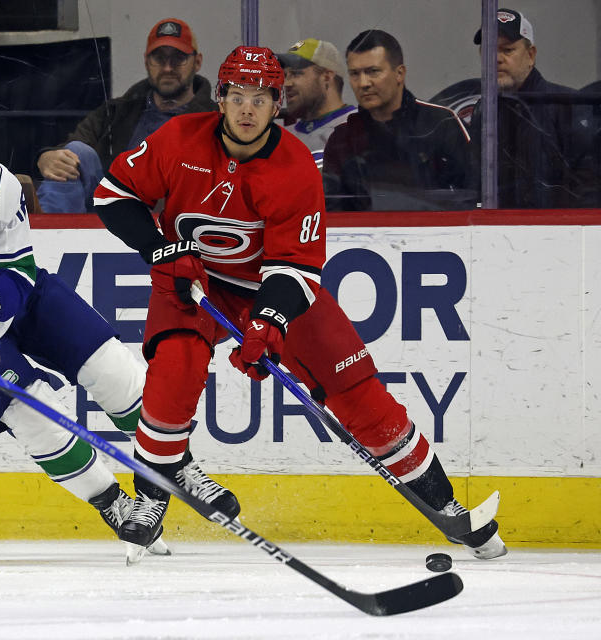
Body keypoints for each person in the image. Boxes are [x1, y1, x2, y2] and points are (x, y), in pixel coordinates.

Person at [93, 45, 506, 563]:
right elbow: (113, 194)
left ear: (276, 104)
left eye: (261, 98)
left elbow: (295, 266)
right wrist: (159, 250)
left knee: (360, 394)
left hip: (271, 287)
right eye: (238, 96)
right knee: (173, 373)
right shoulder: (178, 140)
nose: (247, 109)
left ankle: (447, 509)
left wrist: (269, 321)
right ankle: (151, 503)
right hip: (191, 277)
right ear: (220, 98)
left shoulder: (295, 168)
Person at [0, 102, 232, 561]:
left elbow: (17, 274)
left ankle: (177, 468)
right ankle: (114, 504)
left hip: (21, 298)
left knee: (119, 375)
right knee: (33, 413)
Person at [34, 18, 217, 213]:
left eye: (178, 59)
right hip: (107, 214)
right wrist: (47, 157)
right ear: (147, 61)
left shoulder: (215, 120)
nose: (167, 68)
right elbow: (72, 147)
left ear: (197, 62)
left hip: (174, 219)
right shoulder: (116, 111)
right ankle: (53, 235)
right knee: (77, 152)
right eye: (159, 58)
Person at [321, 30, 473, 211]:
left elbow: (472, 197)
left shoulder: (441, 124)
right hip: (363, 237)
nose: (363, 83)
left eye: (373, 71)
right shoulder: (342, 139)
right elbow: (332, 213)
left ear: (399, 73)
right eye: (355, 74)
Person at [468, 8, 588, 207]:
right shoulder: (484, 111)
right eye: (489, 50)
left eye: (507, 50)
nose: (496, 59)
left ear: (531, 55)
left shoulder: (567, 106)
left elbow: (589, 190)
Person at [276, 38, 356, 170]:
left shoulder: (361, 128)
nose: (287, 83)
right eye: (286, 75)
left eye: (296, 74)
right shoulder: (282, 138)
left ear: (326, 76)